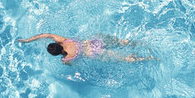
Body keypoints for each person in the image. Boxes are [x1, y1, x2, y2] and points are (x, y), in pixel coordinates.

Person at [17, 33, 156, 64]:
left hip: (95, 53)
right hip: (94, 42)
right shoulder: (63, 40)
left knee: (126, 59)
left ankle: (149, 58)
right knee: (123, 42)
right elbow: (45, 35)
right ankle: (143, 44)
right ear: (57, 44)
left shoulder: (66, 58)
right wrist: (27, 40)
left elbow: (72, 65)